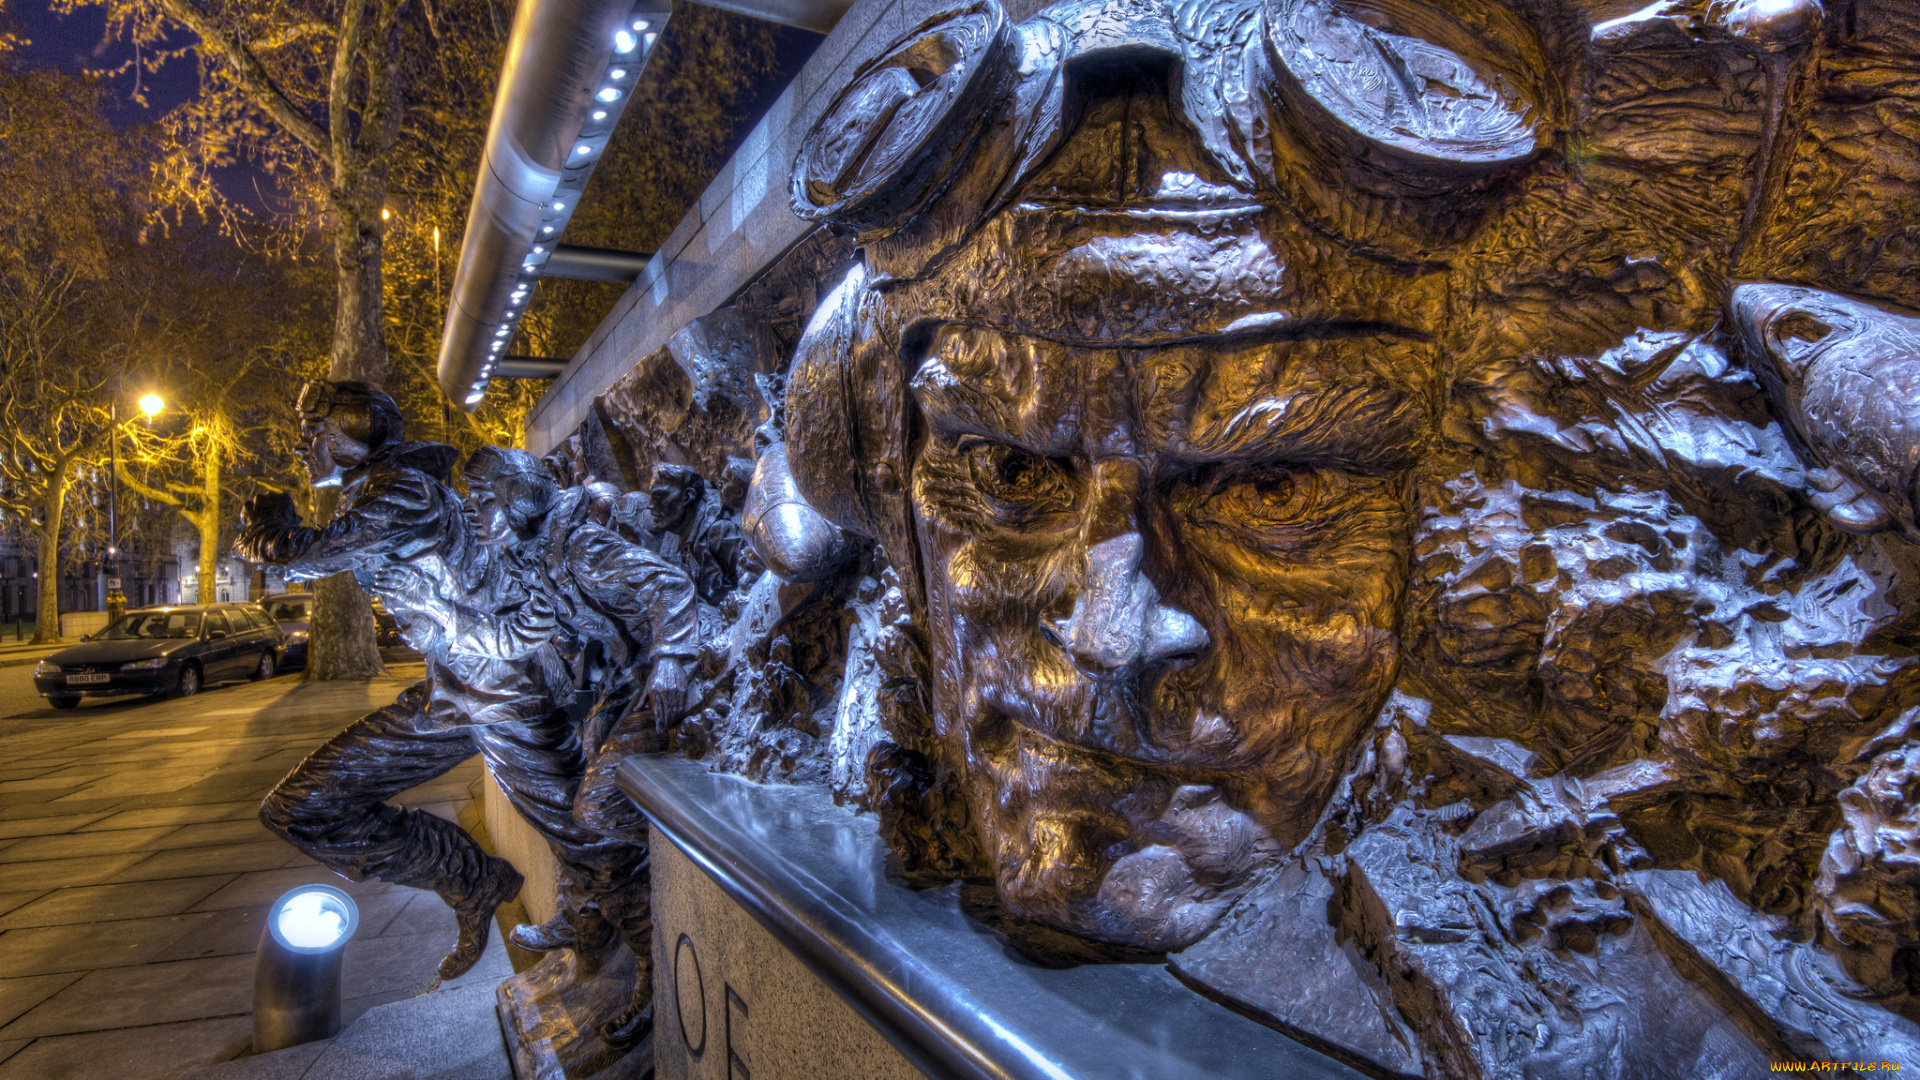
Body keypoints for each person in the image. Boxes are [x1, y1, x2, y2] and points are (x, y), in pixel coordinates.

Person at [463, 445, 700, 1047]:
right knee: (578, 811)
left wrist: (673, 660)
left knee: (594, 814)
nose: (477, 511)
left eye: (486, 498)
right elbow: (531, 629)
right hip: (626, 682)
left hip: (672, 674)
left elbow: (667, 585)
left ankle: (647, 963)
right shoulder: (536, 558)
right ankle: (590, 915)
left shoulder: (577, 547)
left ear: (517, 498)